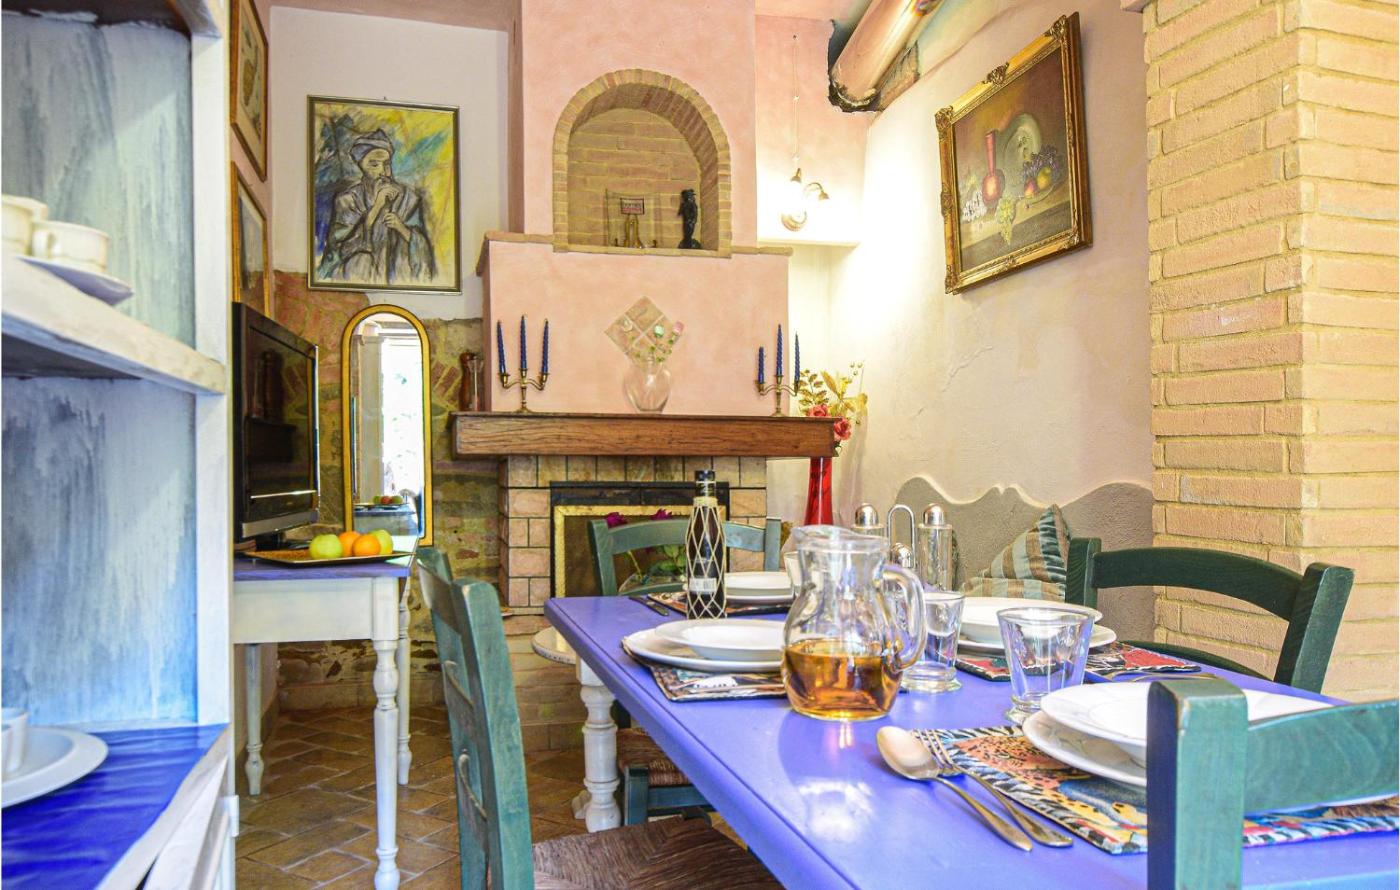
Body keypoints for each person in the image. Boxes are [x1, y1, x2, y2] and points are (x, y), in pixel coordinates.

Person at [326, 129, 435, 285]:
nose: (384, 172)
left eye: (387, 164)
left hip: (397, 276)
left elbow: (422, 248)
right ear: (361, 166)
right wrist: (377, 206)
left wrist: (401, 228)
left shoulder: (408, 198)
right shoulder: (348, 199)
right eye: (375, 164)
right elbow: (339, 248)